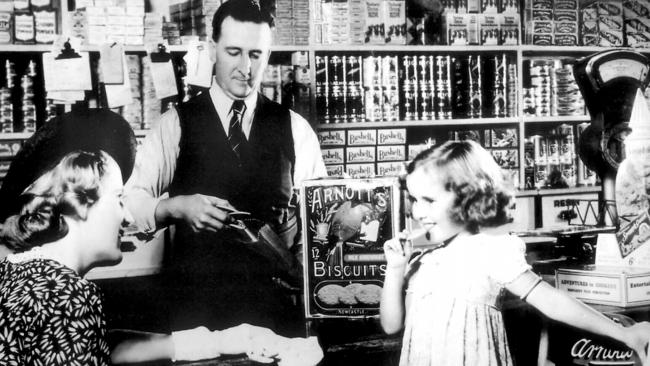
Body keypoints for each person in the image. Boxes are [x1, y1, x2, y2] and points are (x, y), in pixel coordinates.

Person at [0, 110, 323, 365]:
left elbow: (105, 342)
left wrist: (224, 340)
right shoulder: (69, 298)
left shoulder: (19, 276)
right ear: (78, 203)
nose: (127, 217)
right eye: (117, 199)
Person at [124, 0, 326, 334]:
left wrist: (304, 270)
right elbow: (130, 201)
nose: (245, 67)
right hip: (197, 315)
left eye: (256, 54)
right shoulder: (174, 124)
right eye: (234, 52)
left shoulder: (295, 128)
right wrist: (175, 207)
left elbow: (317, 219)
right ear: (213, 48)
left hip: (274, 317)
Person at [380, 139, 650, 366]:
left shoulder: (491, 250)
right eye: (414, 199)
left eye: (429, 200)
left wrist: (623, 333)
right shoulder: (424, 261)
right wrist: (395, 269)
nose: (417, 211)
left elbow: (552, 302)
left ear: (470, 197)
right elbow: (392, 326)